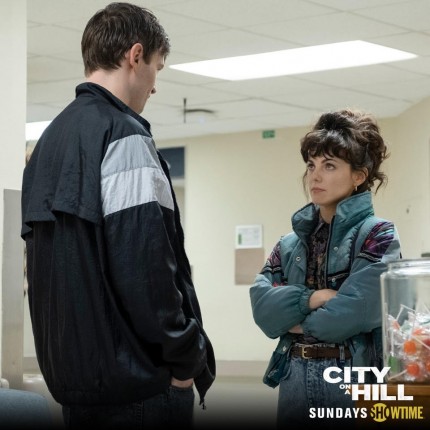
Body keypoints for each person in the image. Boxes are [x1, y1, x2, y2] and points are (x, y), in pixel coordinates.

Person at [21, 3, 215, 429]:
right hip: (141, 389)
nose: (154, 86)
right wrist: (186, 359)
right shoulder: (124, 135)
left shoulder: (47, 144)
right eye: (157, 68)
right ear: (135, 55)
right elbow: (145, 267)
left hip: (76, 388)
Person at [249, 109, 401, 428]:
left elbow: (354, 313)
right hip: (293, 376)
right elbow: (263, 310)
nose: (315, 176)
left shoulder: (379, 235)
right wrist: (313, 298)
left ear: (359, 176)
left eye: (329, 165)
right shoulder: (288, 244)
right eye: (311, 165)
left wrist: (293, 322)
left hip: (351, 377)